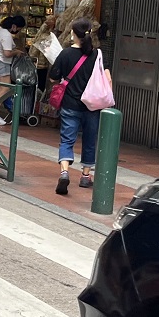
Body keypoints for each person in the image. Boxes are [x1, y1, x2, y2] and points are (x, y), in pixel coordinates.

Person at [49, 18, 102, 196]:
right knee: (90, 139)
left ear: (73, 33)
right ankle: (85, 176)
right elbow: (106, 78)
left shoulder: (65, 54)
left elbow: (53, 78)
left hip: (70, 104)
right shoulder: (97, 55)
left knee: (67, 140)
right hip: (92, 105)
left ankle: (64, 172)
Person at [0, 15, 26, 126]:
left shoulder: (0, 30)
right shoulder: (7, 35)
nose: (18, 31)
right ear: (14, 26)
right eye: (19, 29)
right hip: (2, 62)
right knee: (4, 88)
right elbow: (7, 53)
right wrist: (17, 52)